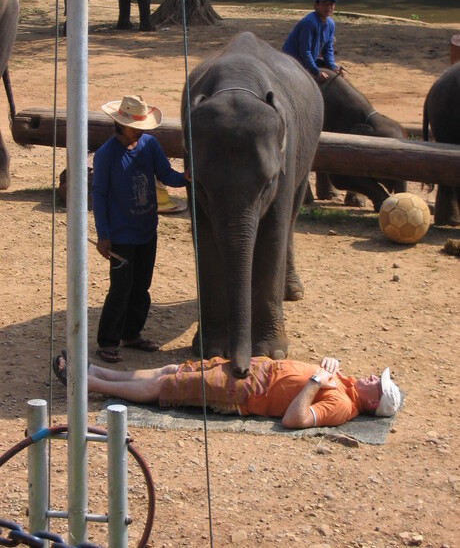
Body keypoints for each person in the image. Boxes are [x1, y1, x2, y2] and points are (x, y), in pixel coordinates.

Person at [91, 94, 191, 363]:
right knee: (120, 289)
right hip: (121, 237)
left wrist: (185, 178)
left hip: (147, 230)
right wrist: (103, 236)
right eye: (136, 126)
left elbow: (165, 173)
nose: (140, 131)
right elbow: (98, 195)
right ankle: (107, 342)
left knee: (141, 287)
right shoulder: (106, 155)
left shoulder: (149, 145)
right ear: (120, 125)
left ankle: (131, 334)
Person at [52, 353, 401, 430]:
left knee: (167, 387)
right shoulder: (346, 383)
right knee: (173, 370)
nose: (372, 376)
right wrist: (327, 367)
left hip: (244, 393)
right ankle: (100, 372)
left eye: (377, 383)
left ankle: (88, 385)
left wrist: (314, 382)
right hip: (253, 368)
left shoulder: (342, 405)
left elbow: (295, 419)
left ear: (373, 402)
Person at [282, 0, 344, 83]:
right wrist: (316, 72)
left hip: (307, 61)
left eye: (331, 4)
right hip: (292, 62)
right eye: (324, 4)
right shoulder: (309, 22)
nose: (328, 7)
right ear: (316, 5)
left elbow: (328, 48)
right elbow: (305, 51)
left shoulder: (330, 24)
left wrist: (332, 66)